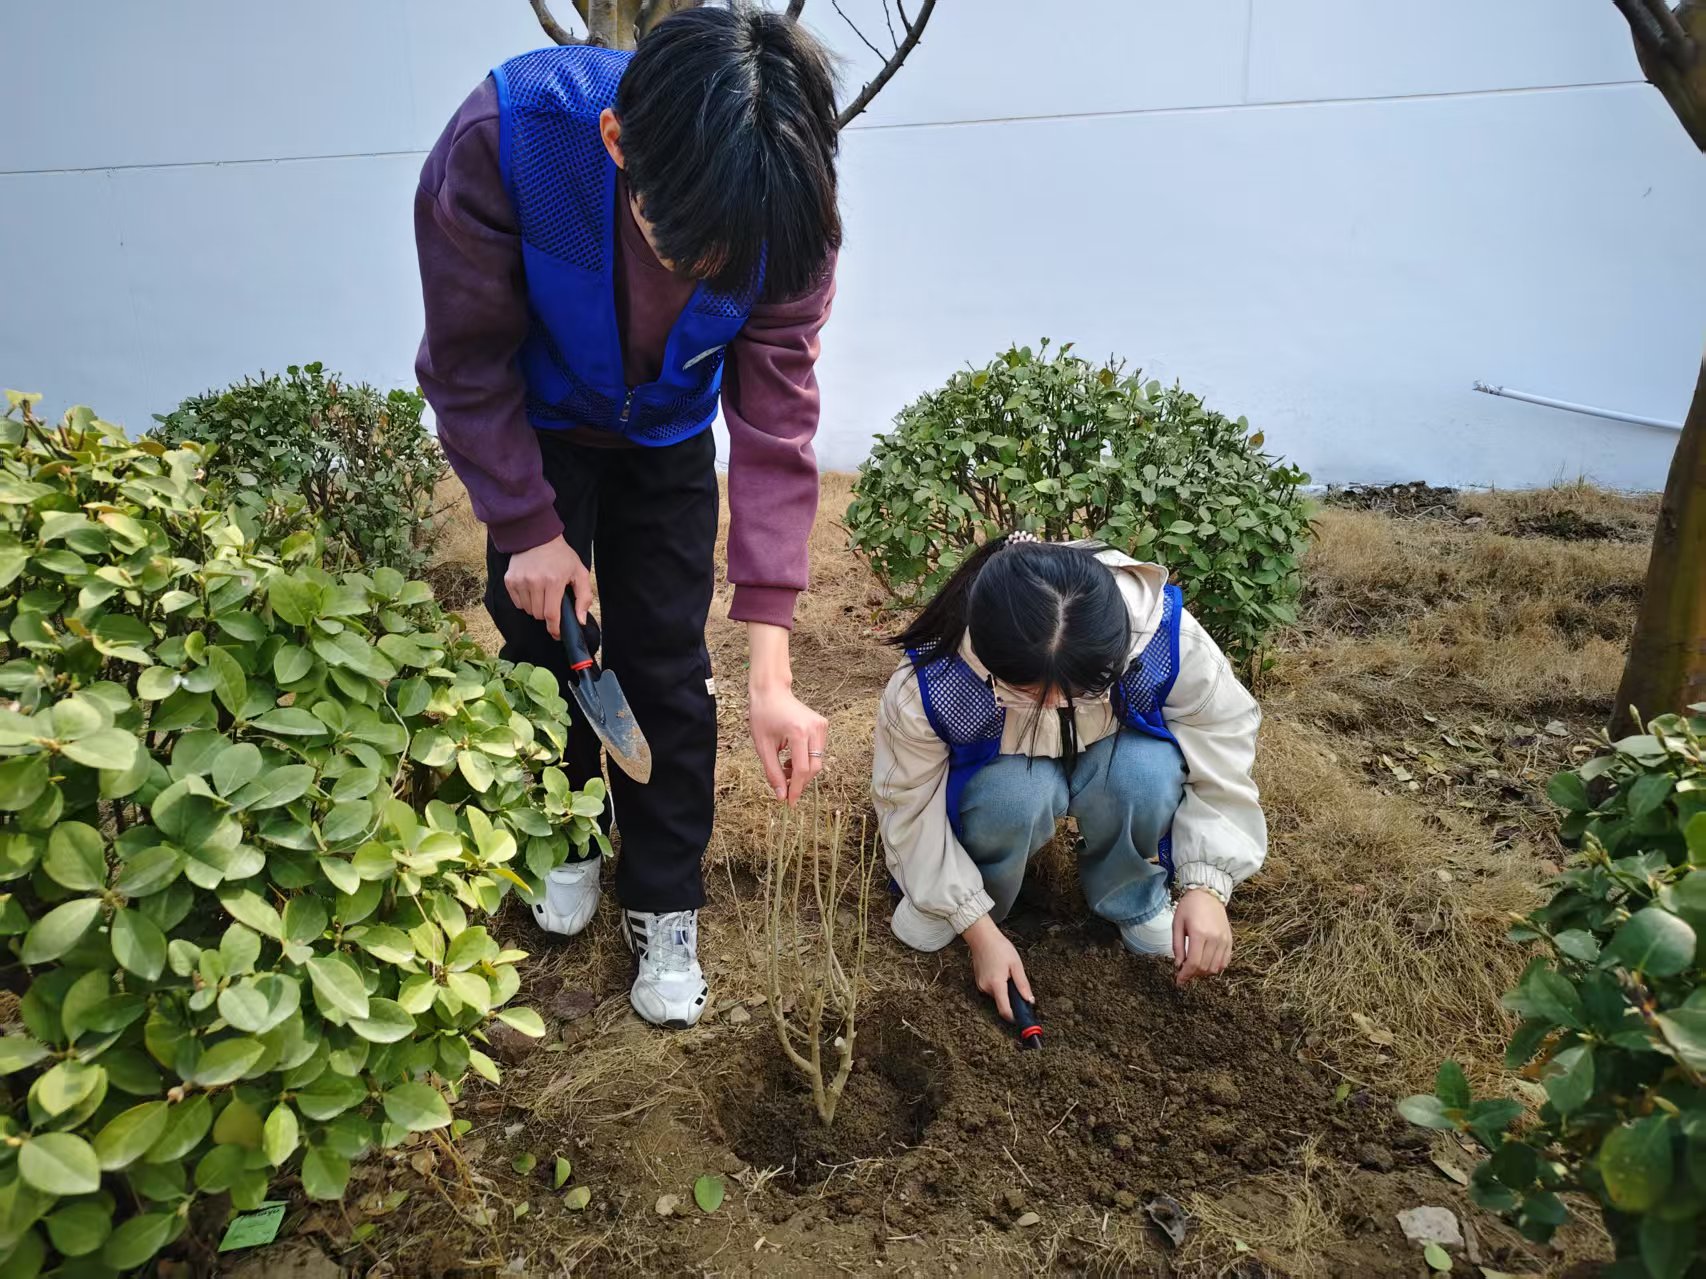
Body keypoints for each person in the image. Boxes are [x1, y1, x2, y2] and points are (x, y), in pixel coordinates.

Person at [414, 6, 840, 1029]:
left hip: (665, 436)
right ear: (615, 143)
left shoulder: (787, 211)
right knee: (538, 643)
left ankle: (662, 896)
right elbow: (465, 363)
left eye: (725, 267)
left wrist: (771, 672)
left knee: (664, 667)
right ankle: (563, 835)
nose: (699, 279)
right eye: (681, 248)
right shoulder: (507, 139)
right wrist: (528, 526)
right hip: (539, 426)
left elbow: (776, 426)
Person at [872, 533, 1267, 1020]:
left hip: (1111, 758)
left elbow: (1222, 747)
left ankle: (1132, 897)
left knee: (1145, 773)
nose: (1056, 705)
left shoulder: (1161, 637)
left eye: (1083, 687)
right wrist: (976, 928)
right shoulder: (934, 681)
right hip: (1007, 776)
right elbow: (907, 805)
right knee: (1014, 797)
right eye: (1026, 690)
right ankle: (978, 902)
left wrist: (1206, 886)